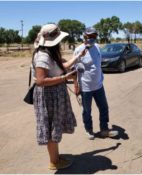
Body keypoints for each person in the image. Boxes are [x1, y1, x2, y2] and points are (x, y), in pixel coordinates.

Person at [32, 23, 86, 170]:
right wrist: (65, 78)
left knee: (54, 127)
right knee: (50, 128)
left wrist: (78, 57)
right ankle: (54, 162)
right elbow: (41, 81)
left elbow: (62, 67)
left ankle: (55, 158)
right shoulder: (43, 55)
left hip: (54, 95)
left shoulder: (50, 53)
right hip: (48, 97)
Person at [74, 27, 118, 140]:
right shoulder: (79, 50)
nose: (92, 38)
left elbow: (97, 65)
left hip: (99, 85)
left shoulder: (98, 47)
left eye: (94, 36)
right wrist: (76, 86)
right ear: (84, 36)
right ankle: (89, 130)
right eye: (90, 36)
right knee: (87, 110)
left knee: (104, 108)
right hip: (85, 87)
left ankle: (104, 129)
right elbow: (74, 71)